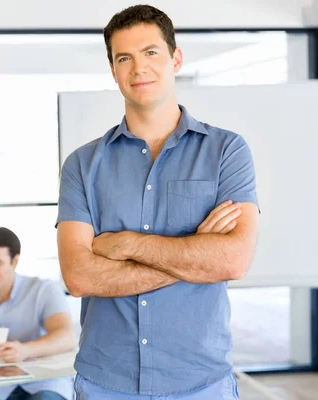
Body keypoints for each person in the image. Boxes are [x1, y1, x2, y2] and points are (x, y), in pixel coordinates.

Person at [56, 5, 260, 400]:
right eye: (124, 58)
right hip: (105, 382)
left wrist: (126, 245)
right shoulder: (81, 164)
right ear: (113, 70)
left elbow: (232, 260)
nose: (138, 69)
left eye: (151, 53)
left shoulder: (226, 152)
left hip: (200, 382)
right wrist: (194, 256)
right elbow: (80, 277)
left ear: (175, 58)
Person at [0, 227, 76, 400]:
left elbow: (66, 337)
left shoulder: (44, 291)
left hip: (43, 381)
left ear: (14, 261)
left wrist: (25, 350)